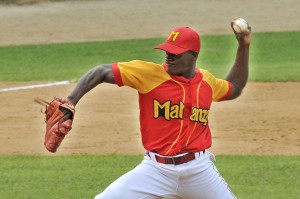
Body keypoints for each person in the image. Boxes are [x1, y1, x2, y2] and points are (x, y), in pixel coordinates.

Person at [66, 21, 251, 199]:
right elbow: (101, 72)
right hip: (157, 170)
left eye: (176, 54)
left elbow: (234, 87)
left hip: (199, 171)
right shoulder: (150, 75)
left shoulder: (206, 82)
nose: (169, 57)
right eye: (167, 52)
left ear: (193, 56)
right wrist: (70, 102)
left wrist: (244, 46)